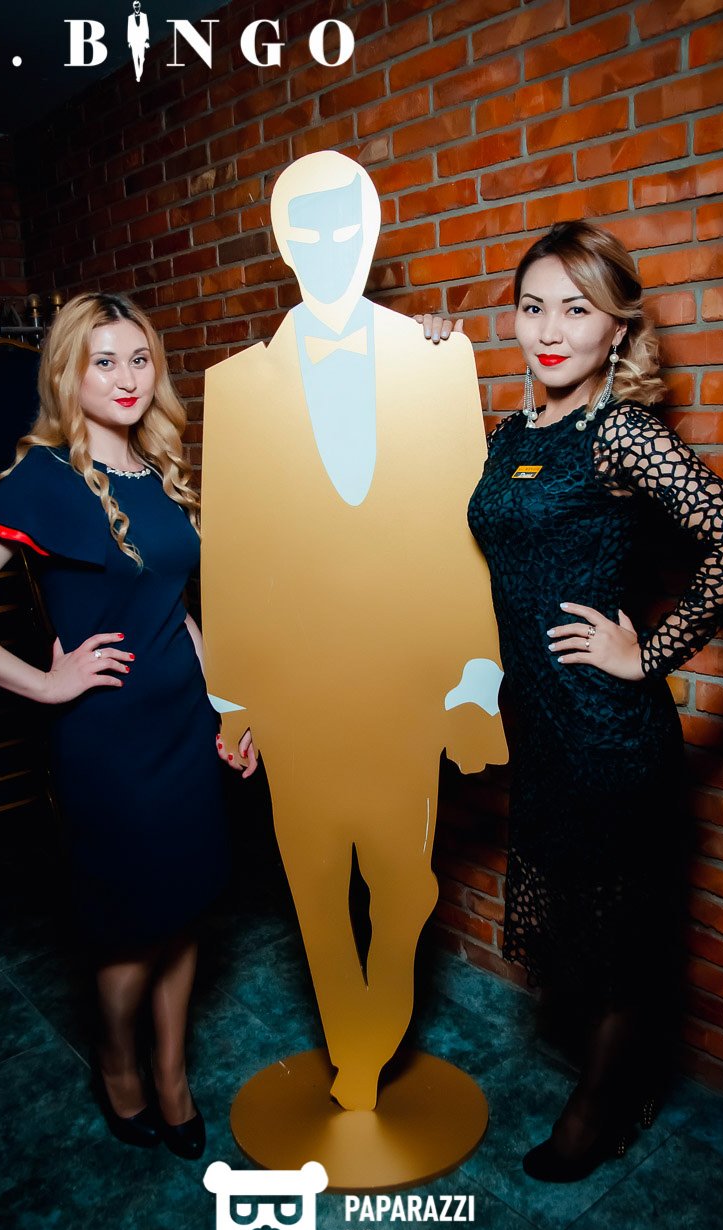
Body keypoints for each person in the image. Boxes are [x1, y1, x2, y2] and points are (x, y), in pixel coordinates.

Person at [419, 220, 723, 1181]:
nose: (549, 330)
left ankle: (602, 1108)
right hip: (540, 731)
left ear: (616, 328)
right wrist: (425, 366)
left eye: (575, 310)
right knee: (582, 932)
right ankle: (623, 1081)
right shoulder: (510, 436)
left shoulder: (622, 434)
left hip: (609, 736)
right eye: (532, 308)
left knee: (617, 944)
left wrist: (646, 654)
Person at [0, 293, 255, 1159]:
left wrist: (227, 710)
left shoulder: (159, 470)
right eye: (104, 361)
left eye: (139, 358)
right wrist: (43, 683)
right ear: (68, 373)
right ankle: (118, 1065)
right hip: (109, 744)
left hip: (184, 729)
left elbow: (172, 610)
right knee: (129, 929)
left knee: (185, 910)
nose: (126, 378)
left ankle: (172, 1074)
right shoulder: (42, 481)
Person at [202, 151, 507, 1112]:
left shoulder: (437, 359)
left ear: (369, 235)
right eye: (310, 232)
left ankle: (370, 1035)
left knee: (401, 880)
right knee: (314, 888)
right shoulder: (236, 386)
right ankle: (357, 1056)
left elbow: (466, 535)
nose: (331, 248)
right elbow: (230, 552)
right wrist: (233, 700)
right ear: (282, 244)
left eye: (346, 229)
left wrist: (476, 684)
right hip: (295, 691)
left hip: (405, 683)